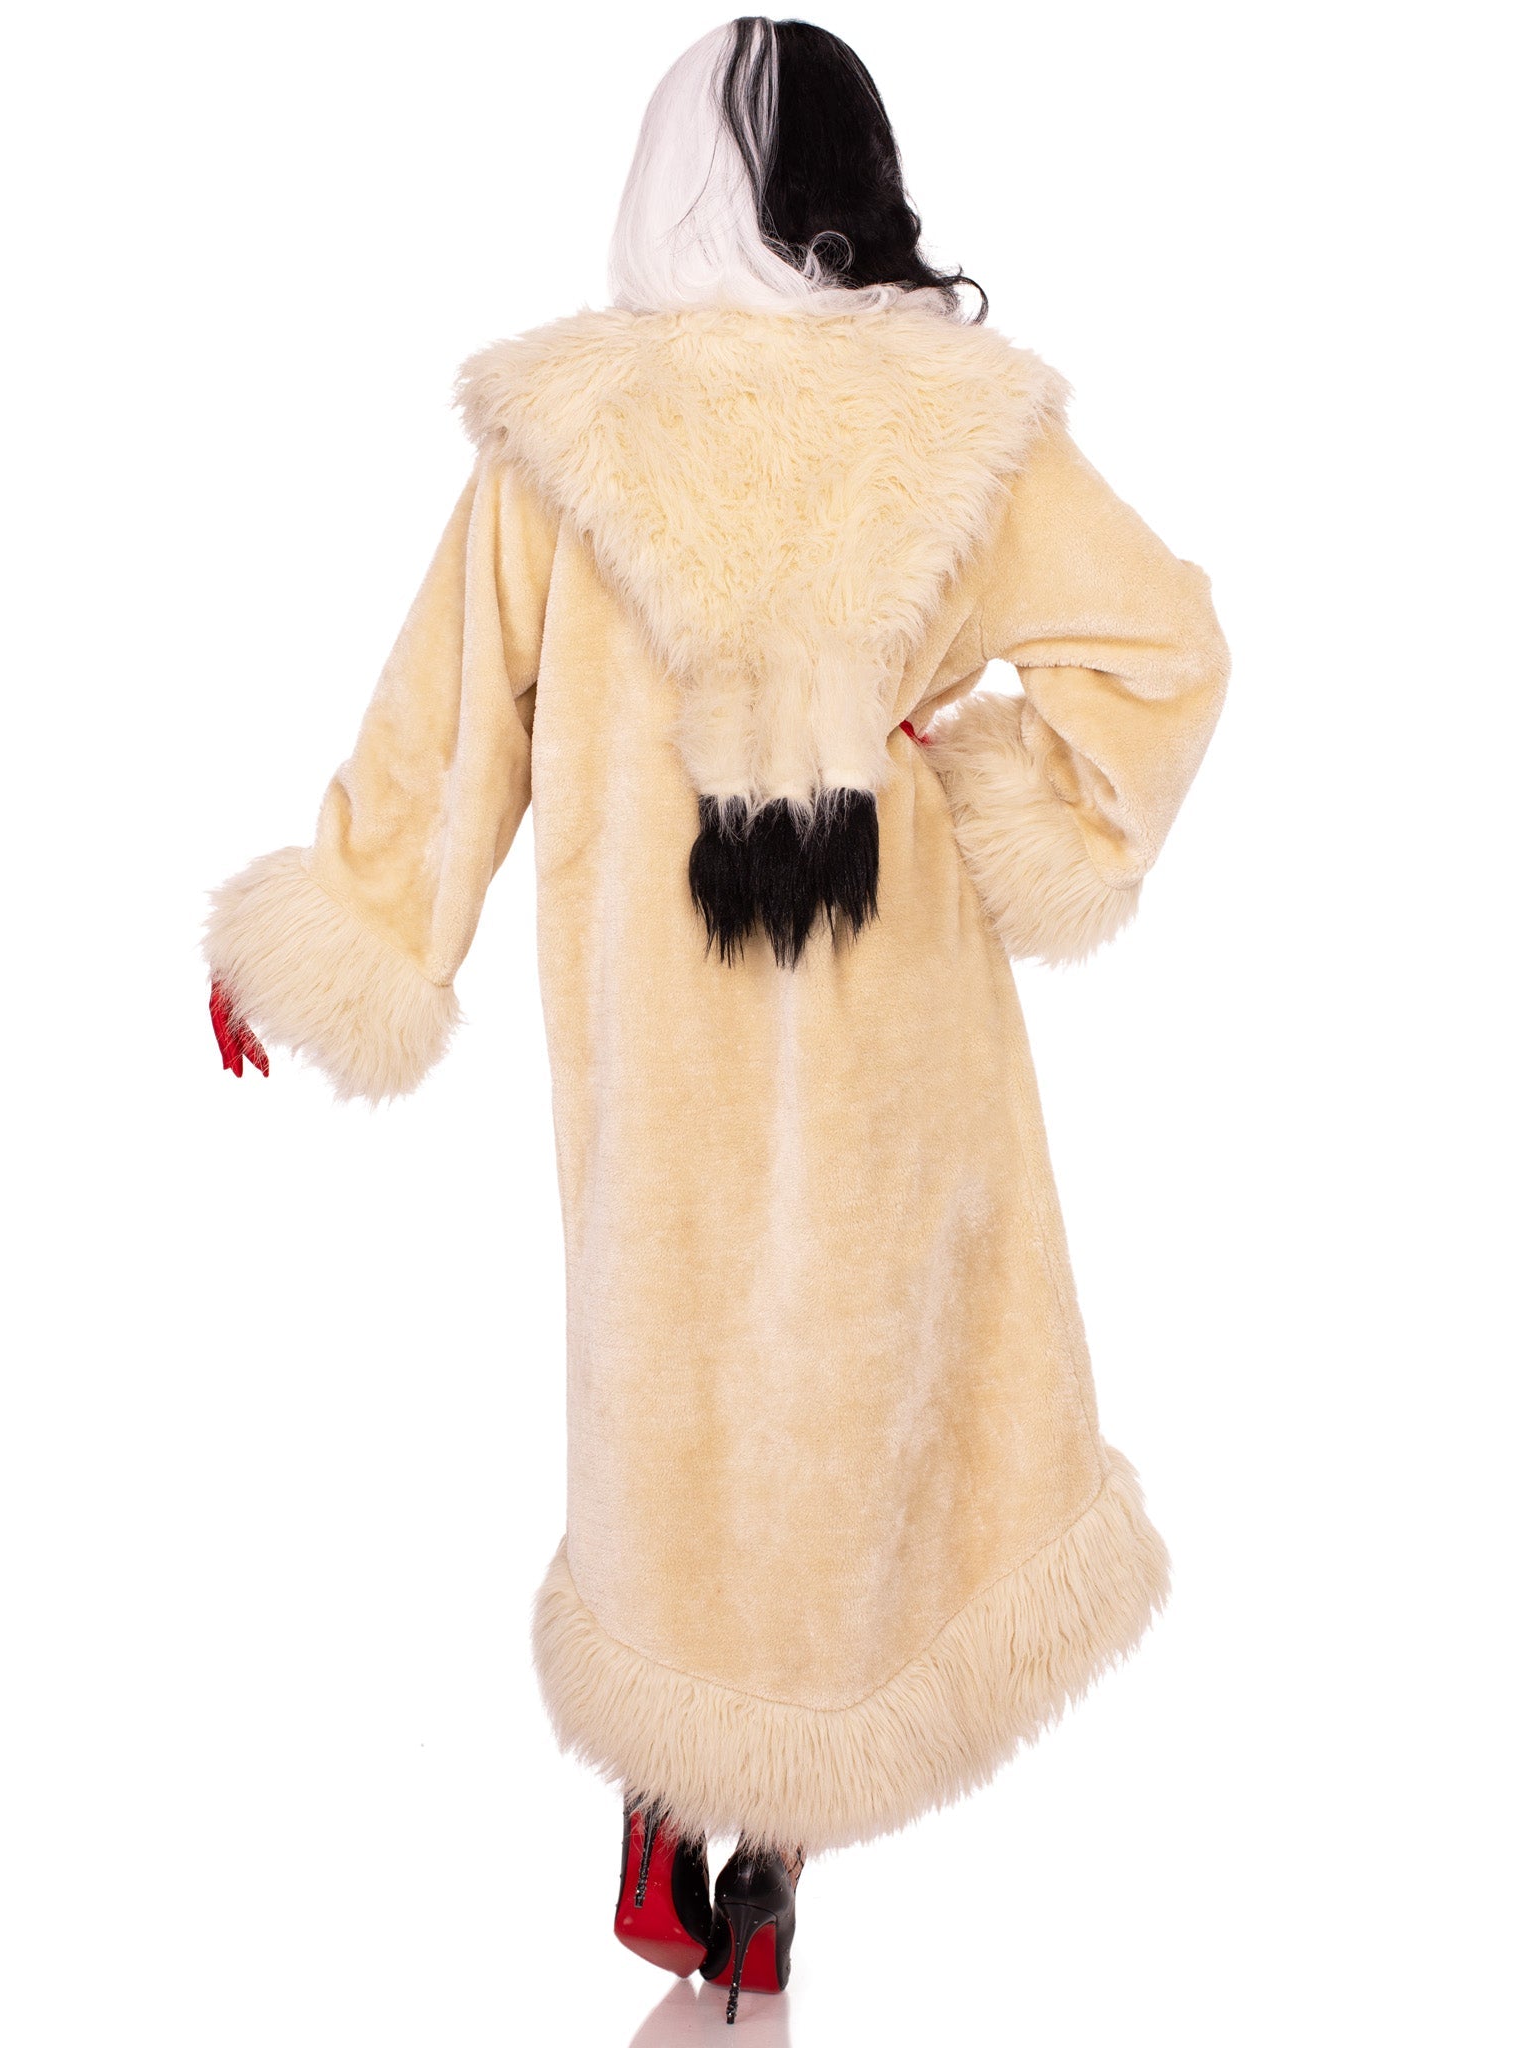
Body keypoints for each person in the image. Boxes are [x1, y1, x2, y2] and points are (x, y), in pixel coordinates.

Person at [204, 17, 1229, 2022]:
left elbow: (447, 732)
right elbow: (1162, 655)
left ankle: (706, 1882)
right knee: (863, 1418)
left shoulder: (559, 450)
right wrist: (998, 791)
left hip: (659, 1065)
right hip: (893, 1051)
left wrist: (339, 931)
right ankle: (762, 1900)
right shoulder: (965, 431)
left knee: (683, 1442)